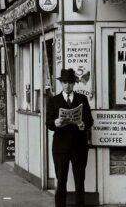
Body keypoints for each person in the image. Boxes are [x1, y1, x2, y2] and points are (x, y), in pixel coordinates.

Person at [46, 68, 94, 207]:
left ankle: (80, 205)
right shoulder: (54, 100)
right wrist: (55, 123)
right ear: (61, 84)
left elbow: (90, 120)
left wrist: (83, 125)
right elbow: (48, 122)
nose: (67, 86)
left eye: (70, 83)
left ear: (74, 84)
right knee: (61, 180)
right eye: (65, 83)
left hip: (79, 145)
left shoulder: (82, 99)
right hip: (60, 147)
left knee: (80, 180)